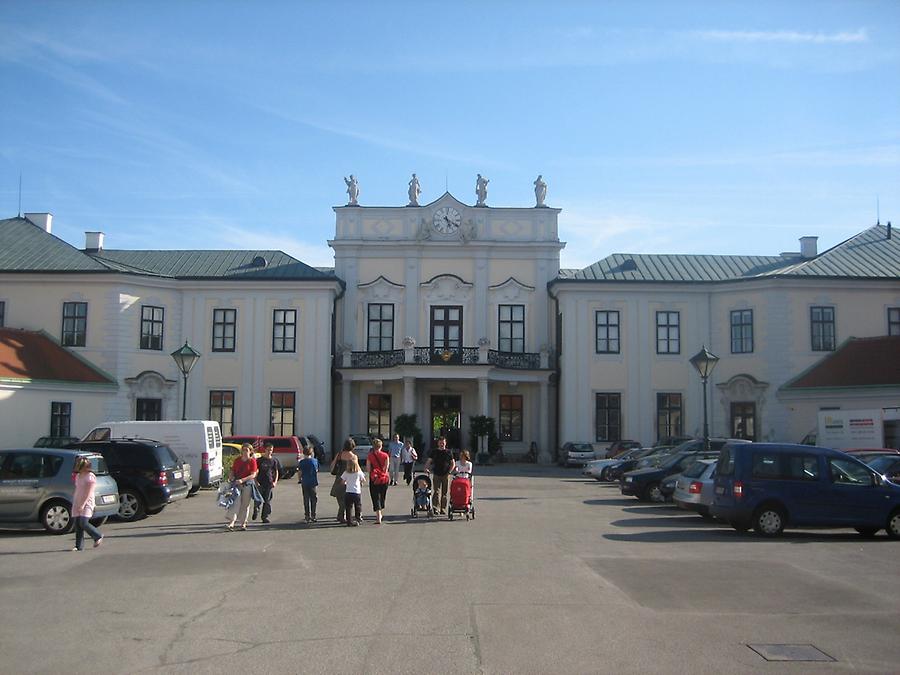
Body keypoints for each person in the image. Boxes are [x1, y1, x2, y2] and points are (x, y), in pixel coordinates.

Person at [71, 456, 103, 551]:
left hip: (87, 502)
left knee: (83, 523)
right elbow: (78, 489)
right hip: (77, 500)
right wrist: (77, 503)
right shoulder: (78, 476)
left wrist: (82, 504)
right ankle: (78, 546)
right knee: (77, 524)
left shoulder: (90, 477)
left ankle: (97, 536)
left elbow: (89, 493)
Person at [227, 443, 258, 531]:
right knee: (235, 503)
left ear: (250, 451)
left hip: (247, 484)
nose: (244, 452)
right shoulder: (237, 460)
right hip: (237, 484)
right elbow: (232, 470)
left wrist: (243, 480)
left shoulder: (252, 461)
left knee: (245, 504)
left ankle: (243, 523)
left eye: (246, 450)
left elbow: (253, 474)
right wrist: (231, 476)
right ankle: (232, 522)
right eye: (243, 450)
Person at [425, 437, 455, 514]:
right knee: (436, 492)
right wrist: (426, 468)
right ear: (438, 443)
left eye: (443, 442)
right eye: (440, 442)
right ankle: (436, 508)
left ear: (445, 443)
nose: (442, 444)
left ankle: (443, 508)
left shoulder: (449, 452)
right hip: (436, 473)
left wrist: (450, 471)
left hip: (446, 474)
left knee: (444, 493)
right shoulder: (434, 451)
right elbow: (429, 461)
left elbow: (453, 463)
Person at [330, 437, 357, 523]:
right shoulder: (353, 456)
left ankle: (341, 515)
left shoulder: (339, 454)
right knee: (348, 499)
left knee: (340, 498)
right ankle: (342, 515)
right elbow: (357, 468)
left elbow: (333, 464)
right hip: (349, 479)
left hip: (339, 477)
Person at [253, 442, 281, 524]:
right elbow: (255, 471)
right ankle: (256, 510)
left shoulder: (274, 461)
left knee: (267, 500)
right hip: (260, 482)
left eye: (271, 450)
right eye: (268, 450)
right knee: (258, 499)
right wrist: (256, 481)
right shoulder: (260, 460)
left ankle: (265, 517)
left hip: (269, 483)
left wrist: (275, 482)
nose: (269, 451)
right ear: (265, 450)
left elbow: (276, 471)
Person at [366, 438, 390, 525]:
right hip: (384, 478)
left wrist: (373, 474)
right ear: (381, 446)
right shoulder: (385, 455)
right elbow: (386, 468)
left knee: (375, 496)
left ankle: (378, 514)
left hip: (374, 479)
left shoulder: (370, 456)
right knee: (382, 495)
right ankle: (381, 509)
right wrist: (382, 473)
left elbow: (368, 469)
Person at [341, 456, 366, 526]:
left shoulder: (346, 472)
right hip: (356, 492)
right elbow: (363, 479)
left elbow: (342, 482)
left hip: (348, 492)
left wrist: (346, 483)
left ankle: (349, 521)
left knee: (348, 507)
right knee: (358, 506)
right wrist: (360, 482)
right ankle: (358, 518)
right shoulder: (359, 472)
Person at [298, 445, 319, 524]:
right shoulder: (315, 461)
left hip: (305, 482)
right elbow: (316, 470)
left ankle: (307, 516)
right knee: (313, 499)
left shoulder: (302, 462)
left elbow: (300, 472)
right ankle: (313, 515)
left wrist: (300, 479)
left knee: (306, 499)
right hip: (313, 482)